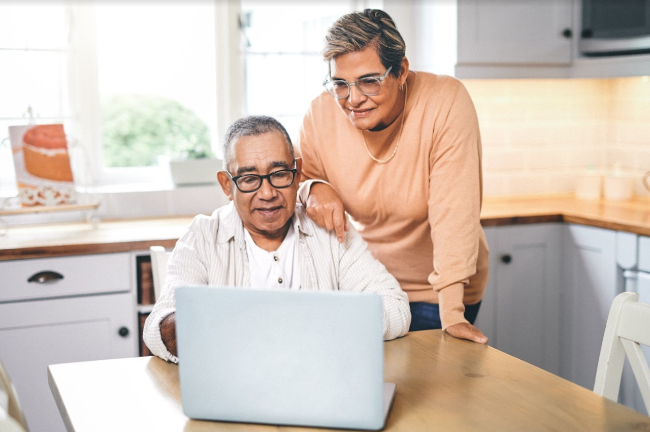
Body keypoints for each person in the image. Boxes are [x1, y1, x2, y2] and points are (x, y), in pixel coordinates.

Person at [143, 115, 411, 363]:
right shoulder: (202, 237)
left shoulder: (330, 229)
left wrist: (312, 323)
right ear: (227, 185)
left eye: (280, 174)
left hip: (322, 384)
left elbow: (396, 310)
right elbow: (159, 328)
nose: (268, 193)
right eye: (249, 179)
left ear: (297, 174)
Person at [297, 9, 489, 344]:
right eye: (340, 84)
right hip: (369, 283)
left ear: (401, 71)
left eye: (369, 81)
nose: (353, 99)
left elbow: (454, 212)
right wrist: (314, 189)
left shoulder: (444, 101)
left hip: (439, 289)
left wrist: (452, 314)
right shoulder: (320, 114)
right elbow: (302, 184)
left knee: (430, 391)